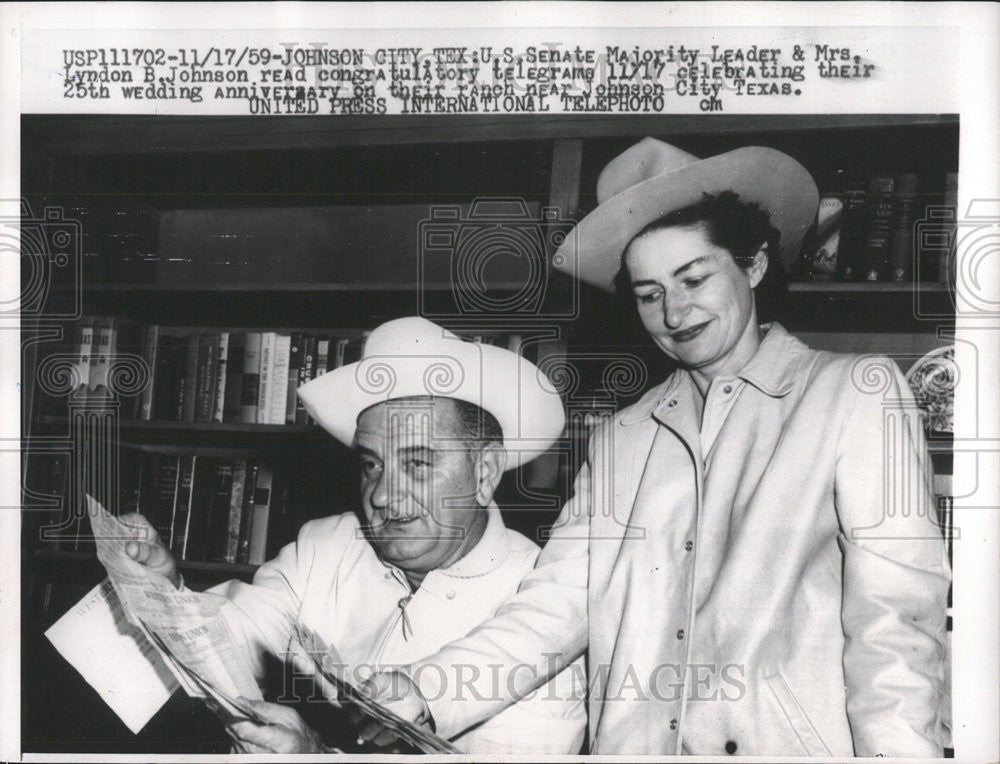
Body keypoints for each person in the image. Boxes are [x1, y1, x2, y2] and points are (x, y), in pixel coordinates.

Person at [362, 138, 952, 757]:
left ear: (753, 264)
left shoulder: (852, 392)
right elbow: (557, 604)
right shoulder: (622, 437)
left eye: (694, 278)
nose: (675, 311)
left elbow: (897, 621)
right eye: (648, 294)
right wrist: (424, 689)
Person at [123, 316, 586, 754]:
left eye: (417, 464)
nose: (382, 496)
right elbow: (236, 637)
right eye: (371, 464)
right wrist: (166, 591)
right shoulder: (325, 545)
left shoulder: (542, 608)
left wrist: (317, 757)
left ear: (484, 472)